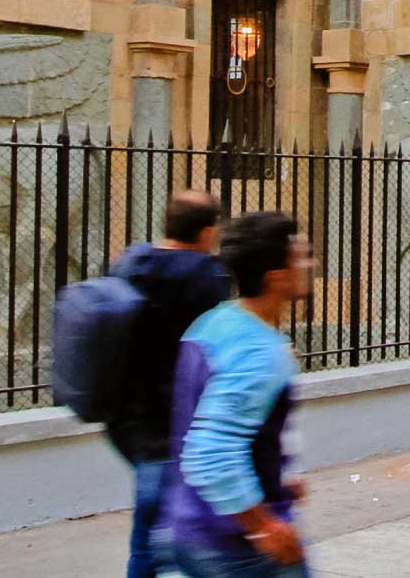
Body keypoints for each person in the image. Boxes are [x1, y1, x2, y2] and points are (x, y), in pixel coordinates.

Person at [165, 211, 313, 578]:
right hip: (236, 547)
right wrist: (263, 527)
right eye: (300, 257)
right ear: (276, 276)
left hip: (190, 528)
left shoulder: (214, 323)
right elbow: (210, 453)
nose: (309, 265)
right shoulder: (259, 350)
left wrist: (279, 473)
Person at [108, 191, 231, 578]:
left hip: (129, 422)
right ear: (207, 232)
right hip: (175, 425)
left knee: (149, 533)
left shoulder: (130, 263)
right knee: (171, 537)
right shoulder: (206, 279)